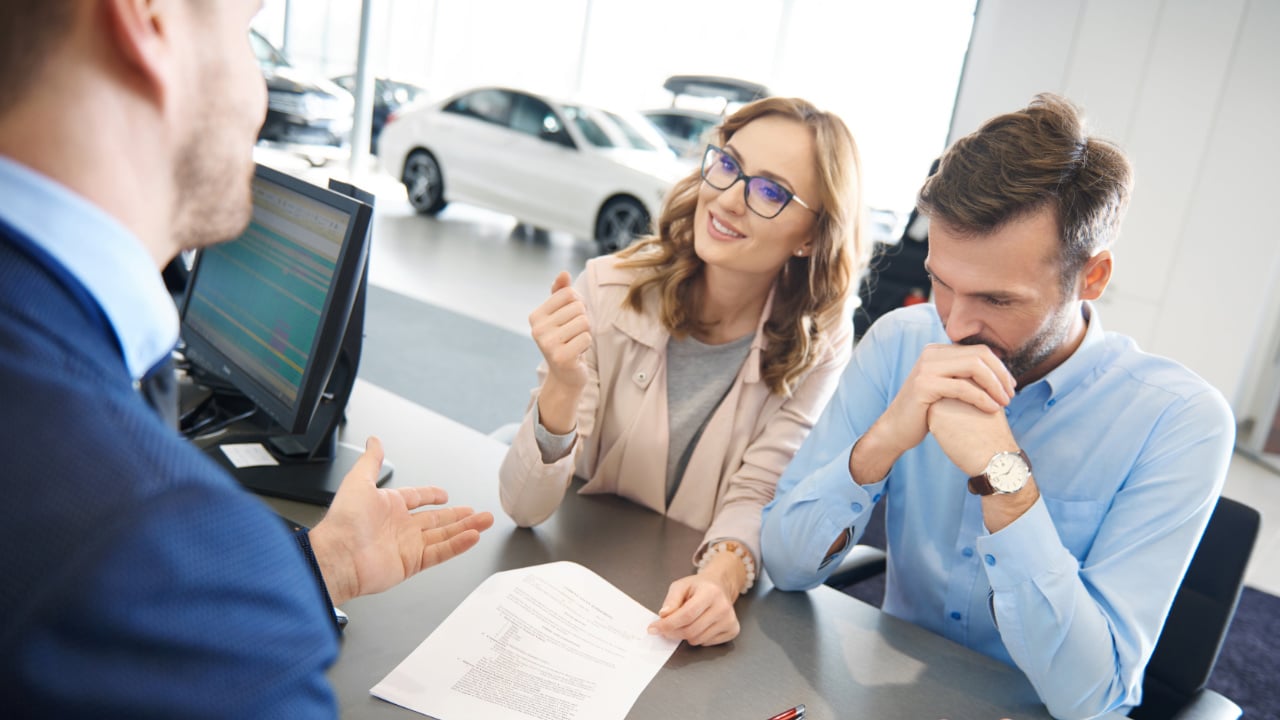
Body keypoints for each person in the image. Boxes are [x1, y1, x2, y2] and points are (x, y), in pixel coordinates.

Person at [0, 1, 493, 715]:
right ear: (150, 18)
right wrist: (236, 588)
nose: (260, 95)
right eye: (243, 30)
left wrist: (319, 566)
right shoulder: (170, 561)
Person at [760, 93, 1234, 719]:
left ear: (1091, 278)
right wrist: (882, 442)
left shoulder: (1179, 422)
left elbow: (1091, 698)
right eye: (942, 282)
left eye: (998, 300)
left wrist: (1005, 480)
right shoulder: (903, 343)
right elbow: (787, 567)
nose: (954, 325)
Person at [499, 97, 866, 647]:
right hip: (572, 581)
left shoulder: (819, 340)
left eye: (769, 191)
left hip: (667, 605)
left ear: (811, 236)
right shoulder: (607, 287)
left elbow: (760, 488)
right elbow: (524, 507)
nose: (728, 199)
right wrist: (563, 385)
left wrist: (718, 580)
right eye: (728, 165)